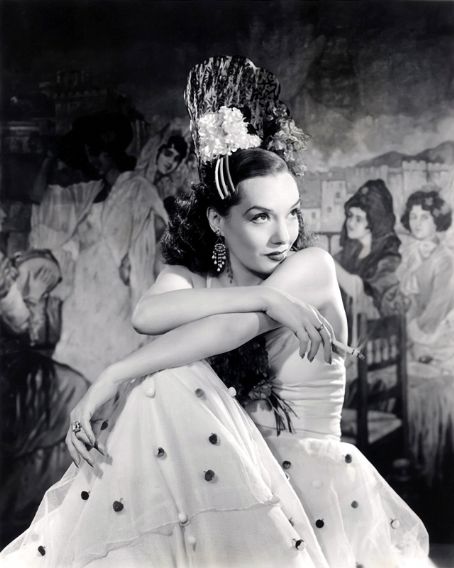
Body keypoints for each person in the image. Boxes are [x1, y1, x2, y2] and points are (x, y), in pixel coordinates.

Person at [0, 56, 430, 568]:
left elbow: (229, 330)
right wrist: (261, 296)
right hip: (226, 488)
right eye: (260, 216)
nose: (283, 235)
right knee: (166, 383)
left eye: (291, 213)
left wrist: (114, 374)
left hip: (306, 491)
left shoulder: (311, 268)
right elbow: (147, 314)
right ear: (217, 221)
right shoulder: (201, 277)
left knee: (168, 379)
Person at [29, 112, 169, 381]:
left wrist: (130, 257)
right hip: (85, 286)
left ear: (112, 152)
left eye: (99, 153)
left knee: (113, 363)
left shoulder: (137, 186)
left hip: (118, 287)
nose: (94, 159)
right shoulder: (93, 191)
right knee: (75, 365)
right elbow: (74, 236)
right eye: (90, 153)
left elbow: (161, 227)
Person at [0, 248, 88, 546]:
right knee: (75, 394)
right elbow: (21, 323)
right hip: (10, 371)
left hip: (15, 363)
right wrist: (28, 301)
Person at [334, 180, 404, 340]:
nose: (350, 223)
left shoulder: (389, 258)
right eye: (350, 216)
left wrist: (327, 262)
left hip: (378, 337)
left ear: (375, 222)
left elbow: (363, 294)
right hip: (352, 329)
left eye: (359, 219)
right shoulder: (352, 250)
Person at [399, 189, 454, 372]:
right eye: (413, 216)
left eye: (424, 217)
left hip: (438, 338)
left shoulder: (446, 260)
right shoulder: (408, 254)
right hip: (409, 337)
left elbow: (438, 307)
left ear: (437, 220)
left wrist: (413, 331)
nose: (417, 223)